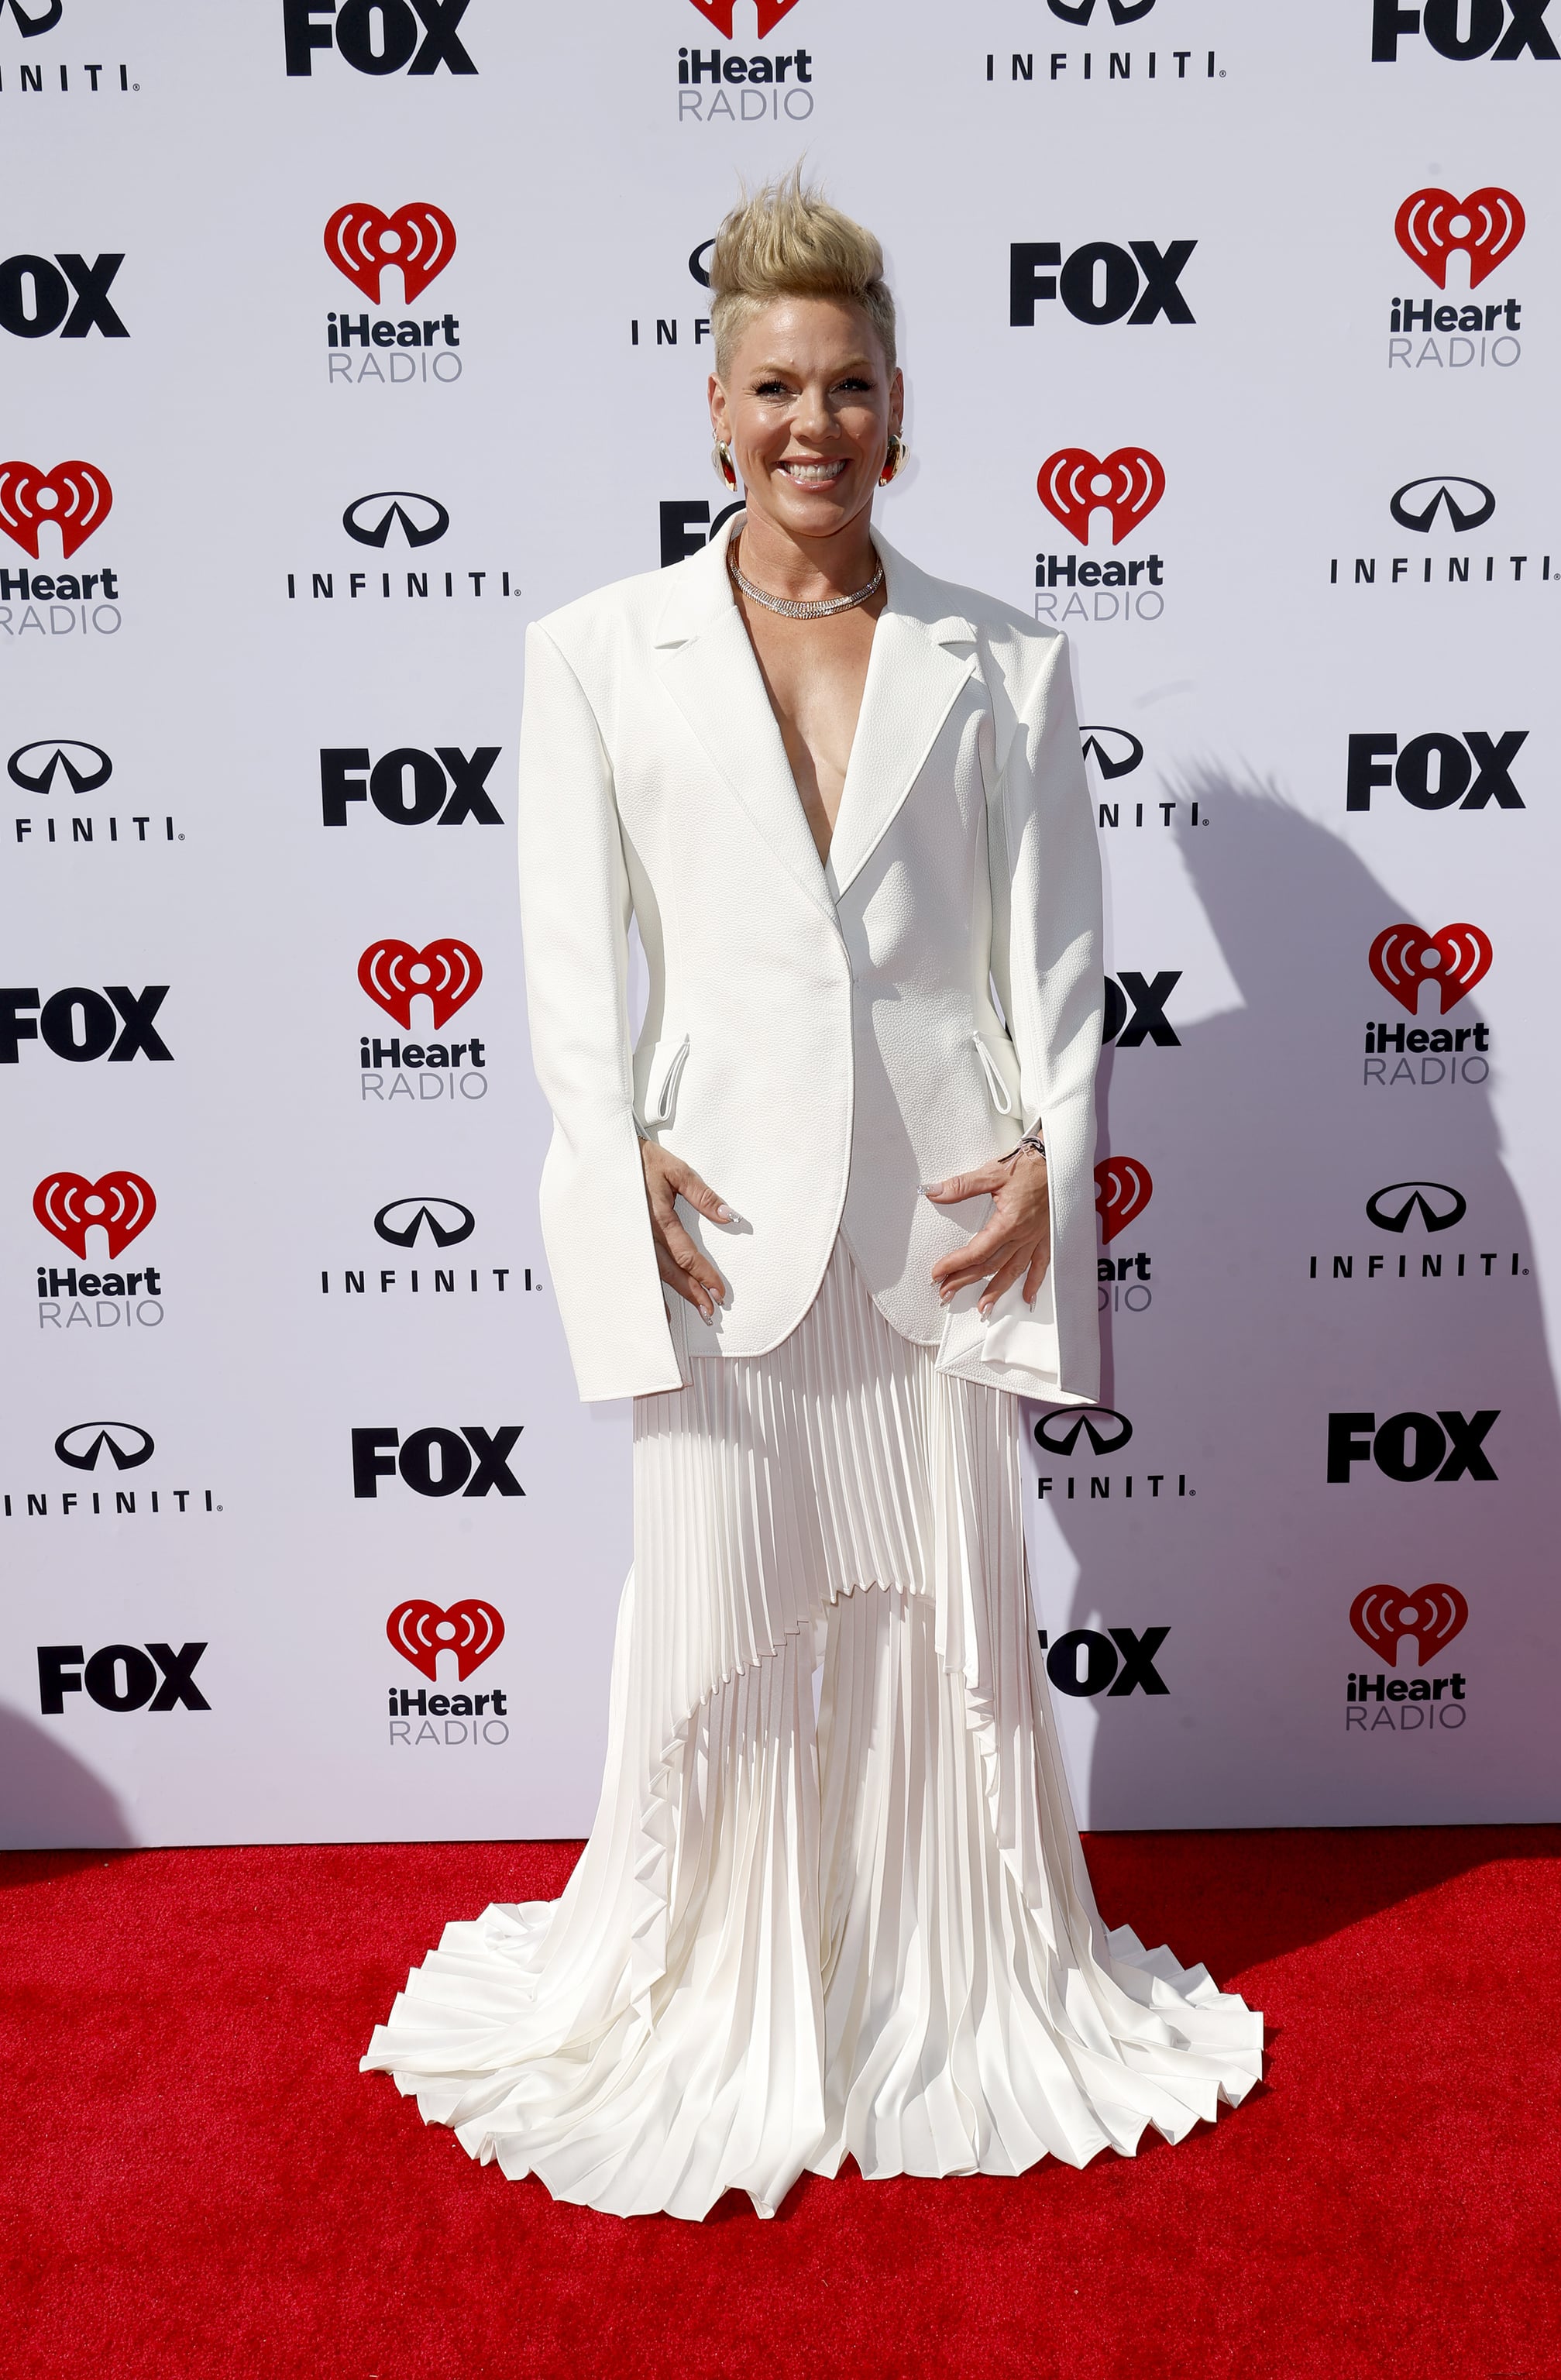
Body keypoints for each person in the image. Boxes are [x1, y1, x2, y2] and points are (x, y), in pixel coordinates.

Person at [363, 172, 1262, 2220]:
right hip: (724, 1229)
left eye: (850, 384)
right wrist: (614, 1173)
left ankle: (941, 1983)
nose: (812, 422)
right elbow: (567, 965)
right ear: (711, 403)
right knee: (716, 1630)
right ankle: (722, 1994)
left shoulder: (1004, 658)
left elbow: (1058, 950)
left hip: (940, 1224)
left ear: (902, 406)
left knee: (948, 1624)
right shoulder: (596, 654)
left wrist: (1049, 1146)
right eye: (776, 382)